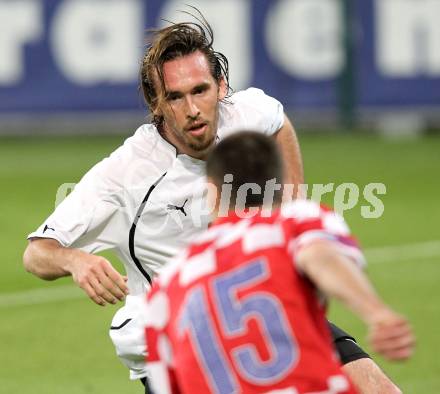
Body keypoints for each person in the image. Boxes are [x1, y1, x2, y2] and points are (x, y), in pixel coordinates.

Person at [23, 10, 403, 393]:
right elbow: (37, 253)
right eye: (174, 97)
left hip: (265, 314)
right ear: (156, 104)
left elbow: (278, 121)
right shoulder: (126, 175)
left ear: (221, 86)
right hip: (183, 340)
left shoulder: (246, 113)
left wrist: (291, 207)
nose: (191, 109)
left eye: (200, 90)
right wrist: (76, 260)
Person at [144, 131, 414, 394]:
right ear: (282, 183)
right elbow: (319, 255)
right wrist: (376, 312)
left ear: (211, 191)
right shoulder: (293, 221)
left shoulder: (168, 282)